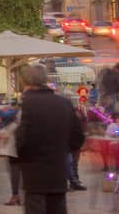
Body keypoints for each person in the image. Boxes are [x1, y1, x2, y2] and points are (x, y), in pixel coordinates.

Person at [14, 65, 86, 214]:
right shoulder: (64, 103)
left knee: (36, 207)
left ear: (24, 81)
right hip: (58, 169)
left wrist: (19, 158)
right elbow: (78, 136)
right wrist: (63, 151)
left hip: (34, 171)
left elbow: (22, 138)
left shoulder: (27, 104)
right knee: (58, 206)